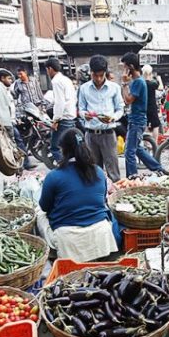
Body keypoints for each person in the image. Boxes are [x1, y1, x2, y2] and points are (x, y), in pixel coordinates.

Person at [37, 128, 117, 261]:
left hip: (68, 236)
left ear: (63, 150)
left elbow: (44, 207)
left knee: (39, 213)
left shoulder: (54, 176)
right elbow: (102, 200)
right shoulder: (98, 171)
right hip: (101, 232)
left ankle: (52, 254)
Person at [78, 55, 124, 182]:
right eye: (95, 75)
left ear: (105, 73)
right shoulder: (84, 88)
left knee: (113, 171)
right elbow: (81, 108)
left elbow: (120, 109)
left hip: (108, 134)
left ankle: (114, 196)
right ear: (90, 72)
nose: (98, 79)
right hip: (90, 135)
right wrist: (84, 114)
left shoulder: (114, 88)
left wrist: (113, 118)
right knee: (93, 170)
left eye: (101, 75)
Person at [120, 52, 166, 178]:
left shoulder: (138, 82)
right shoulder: (138, 81)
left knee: (129, 152)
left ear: (131, 67)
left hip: (137, 120)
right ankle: (157, 168)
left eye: (124, 67)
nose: (123, 71)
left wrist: (124, 84)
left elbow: (128, 100)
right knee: (138, 149)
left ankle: (132, 177)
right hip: (137, 119)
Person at [0, 67, 34, 169]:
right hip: (4, 122)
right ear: (2, 78)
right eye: (9, 78)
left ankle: (24, 163)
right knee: (10, 144)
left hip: (11, 121)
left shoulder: (7, 90)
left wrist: (15, 118)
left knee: (18, 141)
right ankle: (16, 165)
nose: (11, 81)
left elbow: (12, 105)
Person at [45, 57, 78, 164]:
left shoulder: (56, 81)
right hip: (71, 117)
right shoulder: (66, 79)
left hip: (63, 119)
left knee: (55, 147)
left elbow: (59, 102)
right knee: (70, 148)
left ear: (50, 69)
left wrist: (55, 120)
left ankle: (66, 169)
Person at [142, 64, 162, 140]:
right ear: (150, 73)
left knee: (146, 124)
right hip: (152, 106)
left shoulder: (142, 83)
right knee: (155, 125)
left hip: (143, 106)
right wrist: (159, 79)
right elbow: (161, 88)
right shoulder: (152, 83)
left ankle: (147, 143)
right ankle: (154, 143)